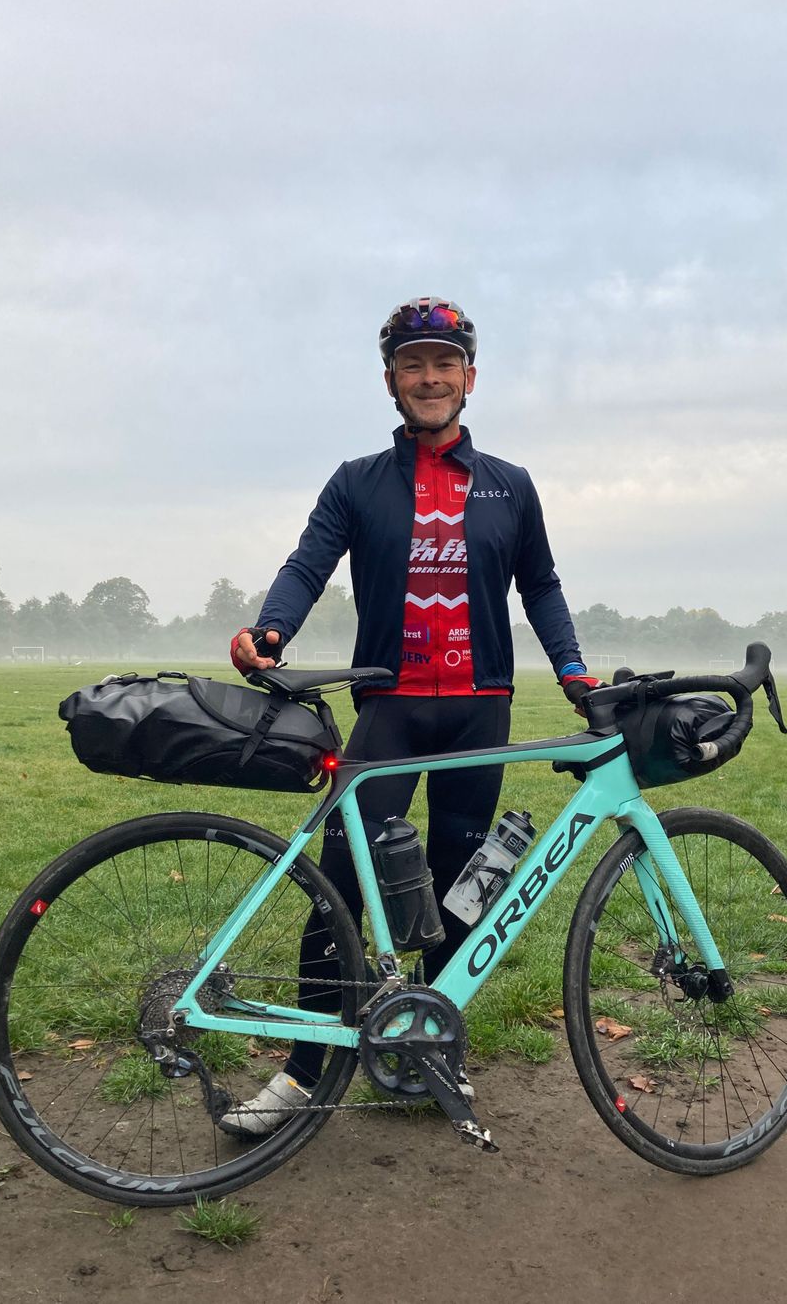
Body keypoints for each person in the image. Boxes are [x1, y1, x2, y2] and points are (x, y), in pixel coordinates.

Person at [222, 296, 598, 1133]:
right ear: (391, 380)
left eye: (444, 363)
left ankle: (432, 1048)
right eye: (412, 364)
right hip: (389, 708)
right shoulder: (357, 481)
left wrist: (572, 668)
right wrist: (271, 628)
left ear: (470, 377)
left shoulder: (510, 484)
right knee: (339, 884)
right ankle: (303, 1071)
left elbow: (540, 584)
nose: (429, 378)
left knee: (463, 885)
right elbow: (309, 562)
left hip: (479, 711)